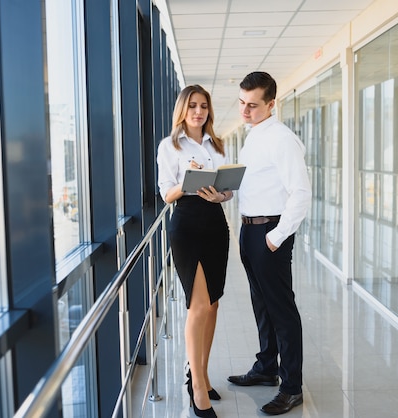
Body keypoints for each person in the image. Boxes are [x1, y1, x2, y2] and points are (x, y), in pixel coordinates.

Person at [227, 71, 311, 416]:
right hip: (249, 230)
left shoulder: (281, 139)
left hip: (269, 232)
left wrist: (276, 238)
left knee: (281, 310)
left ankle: (292, 387)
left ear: (271, 104)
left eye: (253, 105)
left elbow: (301, 194)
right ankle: (266, 368)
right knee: (261, 304)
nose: (245, 111)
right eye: (242, 104)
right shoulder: (253, 136)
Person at [157, 84, 233, 418]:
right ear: (182, 111)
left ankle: (199, 372)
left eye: (203, 106)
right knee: (198, 306)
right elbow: (165, 194)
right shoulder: (170, 145)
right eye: (192, 106)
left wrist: (222, 195)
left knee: (213, 304)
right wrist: (188, 179)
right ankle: (197, 387)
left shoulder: (216, 144)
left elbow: (228, 189)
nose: (198, 112)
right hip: (186, 224)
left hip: (215, 222)